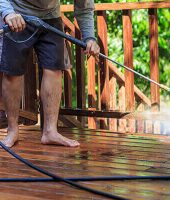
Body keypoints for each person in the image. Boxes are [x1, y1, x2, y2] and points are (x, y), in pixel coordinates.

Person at [0, 1, 100, 147]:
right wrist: (8, 13)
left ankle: (50, 132)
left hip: (51, 17)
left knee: (54, 68)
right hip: (16, 13)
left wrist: (89, 38)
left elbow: (84, 7)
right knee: (12, 72)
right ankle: (12, 130)